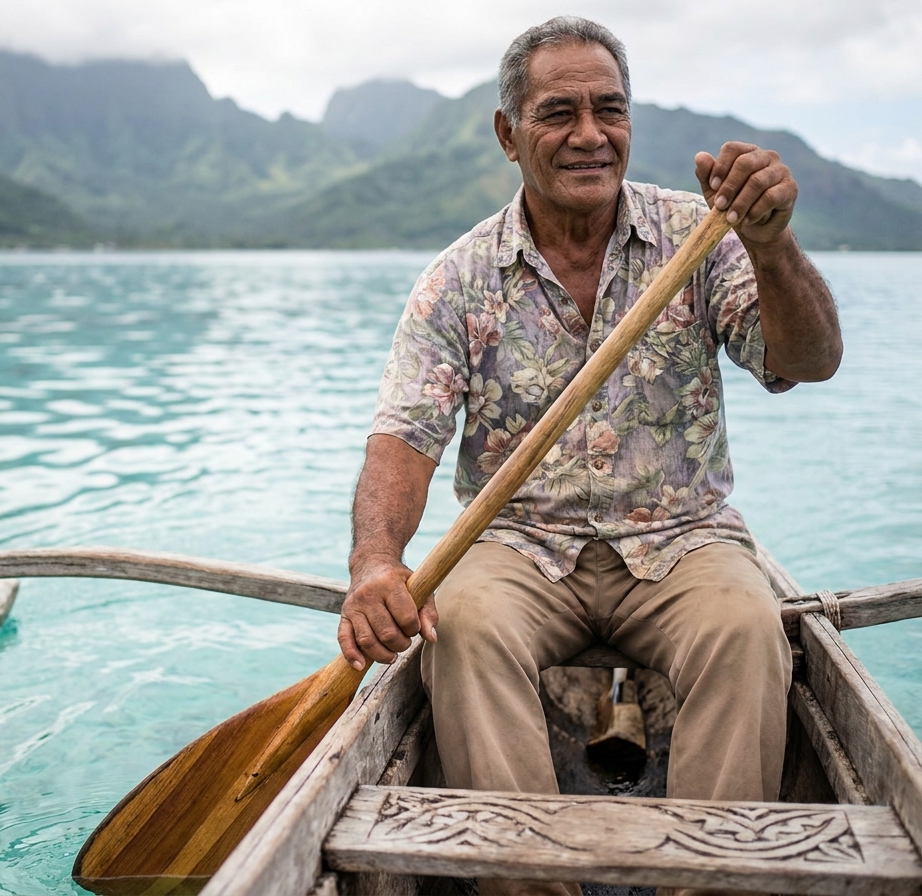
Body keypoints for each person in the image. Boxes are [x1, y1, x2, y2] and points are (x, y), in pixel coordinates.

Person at [336, 16, 842, 896]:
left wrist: (771, 245)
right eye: (557, 113)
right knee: (461, 628)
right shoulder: (459, 279)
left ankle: (706, 883)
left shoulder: (700, 235)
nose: (588, 134)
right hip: (519, 544)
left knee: (747, 626)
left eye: (609, 109)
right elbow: (403, 439)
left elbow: (808, 360)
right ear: (508, 135)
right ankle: (528, 882)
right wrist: (376, 563)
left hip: (682, 540)